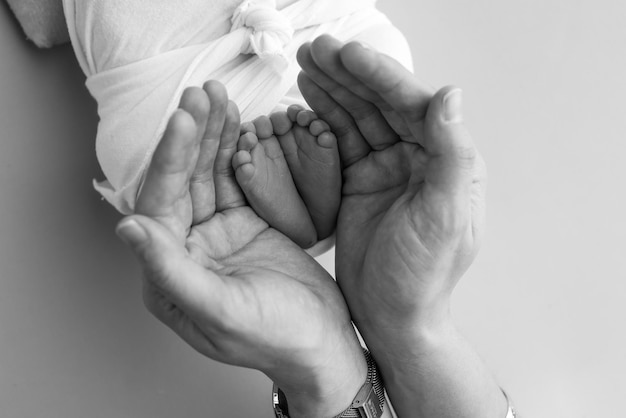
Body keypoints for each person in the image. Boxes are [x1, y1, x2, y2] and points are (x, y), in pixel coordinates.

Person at [116, 36, 515, 417]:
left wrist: (332, 368)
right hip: (342, 142)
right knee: (144, 139)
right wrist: (409, 325)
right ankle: (308, 213)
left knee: (365, 64)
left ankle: (306, 210)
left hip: (327, 108)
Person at [62, 0, 413, 253]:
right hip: (309, 29)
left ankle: (287, 193)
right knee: (373, 56)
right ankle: (300, 197)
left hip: (170, 95)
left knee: (161, 138)